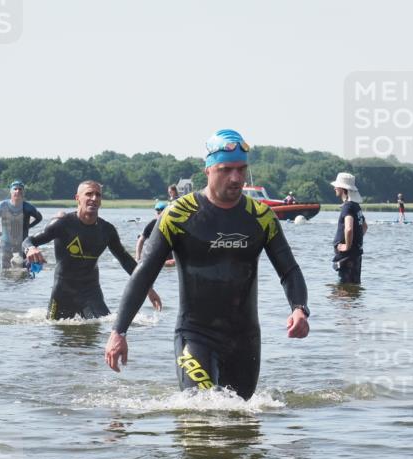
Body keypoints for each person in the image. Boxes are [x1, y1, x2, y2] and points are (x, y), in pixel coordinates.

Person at [104, 129, 309, 399]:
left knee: (240, 423)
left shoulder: (260, 216)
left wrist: (299, 309)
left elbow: (289, 269)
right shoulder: (177, 215)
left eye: (241, 169)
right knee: (201, 413)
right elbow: (144, 274)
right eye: (226, 170)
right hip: (195, 335)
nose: (236, 178)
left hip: (244, 339)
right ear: (208, 170)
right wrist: (119, 331)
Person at [22, 180, 161, 320]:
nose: (94, 198)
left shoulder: (107, 230)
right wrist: (31, 249)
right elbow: (28, 241)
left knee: (104, 328)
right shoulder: (62, 224)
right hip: (62, 292)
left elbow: (126, 260)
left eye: (98, 195)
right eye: (89, 194)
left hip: (90, 292)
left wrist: (147, 288)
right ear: (77, 198)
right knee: (55, 332)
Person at [0, 181, 42, 268]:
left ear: (23, 192)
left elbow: (39, 218)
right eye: (15, 189)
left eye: (20, 189)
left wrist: (29, 226)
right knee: (4, 272)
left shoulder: (28, 207)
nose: (17, 191)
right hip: (6, 244)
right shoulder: (2, 206)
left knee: (24, 272)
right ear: (11, 191)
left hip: (22, 244)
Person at [331, 172, 368, 284]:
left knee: (344, 291)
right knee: (353, 286)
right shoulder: (356, 206)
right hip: (356, 254)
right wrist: (355, 242)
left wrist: (347, 245)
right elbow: (365, 227)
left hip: (347, 256)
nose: (334, 188)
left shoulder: (347, 207)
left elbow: (349, 228)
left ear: (343, 189)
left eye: (336, 186)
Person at [135, 201, 175, 266]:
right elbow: (141, 240)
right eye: (157, 213)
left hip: (168, 259)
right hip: (153, 257)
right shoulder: (152, 224)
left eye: (161, 213)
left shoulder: (172, 225)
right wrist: (137, 258)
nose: (159, 215)